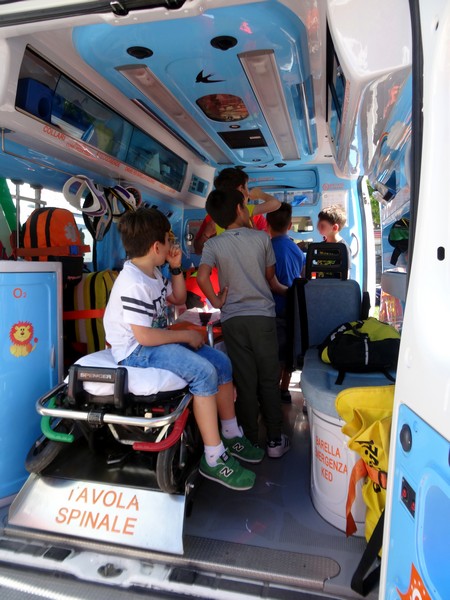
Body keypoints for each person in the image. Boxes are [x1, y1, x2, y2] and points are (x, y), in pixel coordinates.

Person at [103, 207, 264, 491]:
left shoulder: (152, 273)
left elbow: (178, 298)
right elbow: (143, 337)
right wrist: (185, 335)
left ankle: (230, 433)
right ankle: (213, 457)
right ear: (157, 247)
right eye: (169, 241)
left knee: (221, 363)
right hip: (134, 351)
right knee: (204, 372)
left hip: (152, 341)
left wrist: (176, 267)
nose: (171, 245)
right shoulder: (133, 283)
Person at [197, 188, 290, 458]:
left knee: (245, 381)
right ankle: (274, 439)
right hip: (262, 317)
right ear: (240, 209)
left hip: (233, 320)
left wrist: (217, 301)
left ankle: (250, 440)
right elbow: (269, 276)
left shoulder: (213, 244)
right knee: (269, 379)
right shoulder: (262, 238)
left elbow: (202, 277)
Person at [266, 203, 305, 403]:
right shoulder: (297, 250)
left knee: (273, 353)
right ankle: (284, 389)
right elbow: (302, 277)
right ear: (290, 226)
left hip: (274, 307)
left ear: (267, 225)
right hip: (293, 307)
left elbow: (268, 281)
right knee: (288, 349)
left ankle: (272, 390)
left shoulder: (267, 249)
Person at [193, 167, 280, 254]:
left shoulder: (214, 216)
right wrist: (260, 194)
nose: (248, 193)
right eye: (247, 187)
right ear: (241, 189)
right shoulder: (246, 210)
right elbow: (275, 204)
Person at [316, 204, 352, 272]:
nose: (318, 227)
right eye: (318, 224)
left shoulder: (343, 248)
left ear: (335, 227)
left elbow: (346, 273)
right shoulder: (320, 246)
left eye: (322, 225)